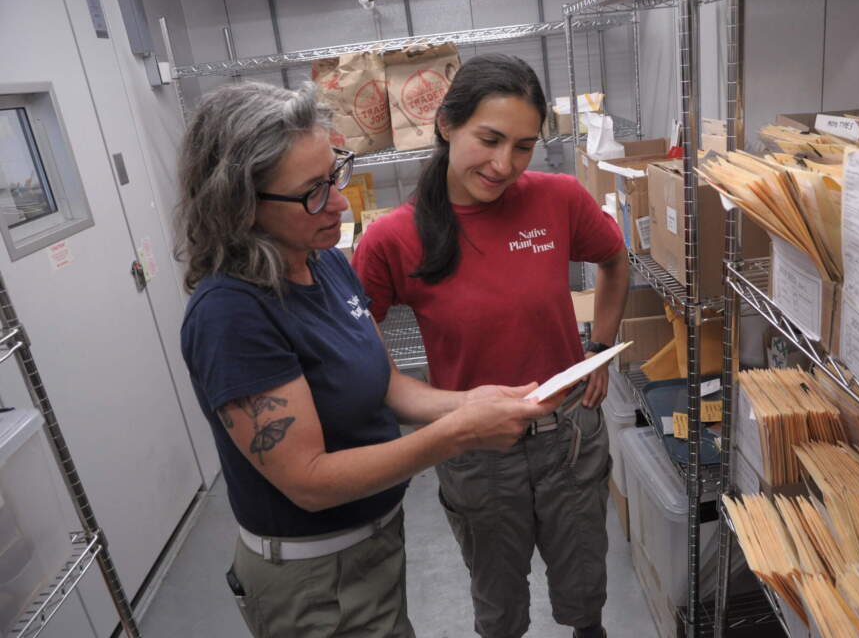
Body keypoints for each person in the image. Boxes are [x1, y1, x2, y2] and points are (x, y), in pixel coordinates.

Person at [175, 80, 557, 638]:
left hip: (375, 541)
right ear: (240, 203)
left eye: (334, 175)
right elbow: (308, 480)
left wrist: (468, 402)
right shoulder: (231, 314)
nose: (336, 202)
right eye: (311, 190)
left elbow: (384, 383)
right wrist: (461, 434)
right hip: (313, 579)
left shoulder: (321, 260)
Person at [352, 54, 631, 638]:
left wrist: (598, 345)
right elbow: (357, 344)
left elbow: (613, 258)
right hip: (475, 454)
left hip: (568, 440)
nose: (505, 164)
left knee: (585, 596)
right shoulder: (391, 239)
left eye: (524, 146)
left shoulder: (557, 199)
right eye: (490, 139)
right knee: (499, 612)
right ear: (446, 124)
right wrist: (432, 404)